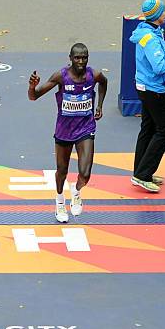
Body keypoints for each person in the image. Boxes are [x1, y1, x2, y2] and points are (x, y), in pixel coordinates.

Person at [28, 43, 107, 223]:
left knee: (85, 173)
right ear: (70, 58)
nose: (81, 61)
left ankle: (76, 191)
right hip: (64, 130)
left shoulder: (93, 75)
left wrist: (100, 105)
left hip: (85, 128)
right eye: (77, 57)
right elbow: (34, 97)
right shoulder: (61, 76)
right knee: (62, 170)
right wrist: (32, 86)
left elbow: (104, 83)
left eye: (84, 57)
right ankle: (59, 202)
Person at [129, 0, 165, 193]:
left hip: (145, 87)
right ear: (156, 15)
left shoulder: (149, 30)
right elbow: (159, 66)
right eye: (163, 12)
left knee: (148, 128)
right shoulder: (151, 37)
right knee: (164, 130)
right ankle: (142, 174)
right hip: (154, 90)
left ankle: (140, 171)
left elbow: (159, 49)